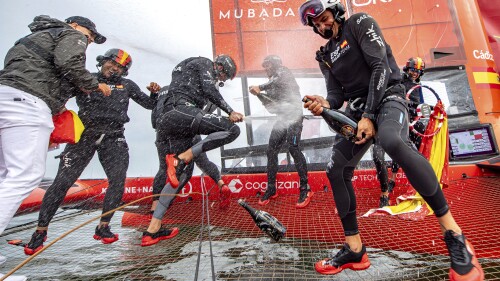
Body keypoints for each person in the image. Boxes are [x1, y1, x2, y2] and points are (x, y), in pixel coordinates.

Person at [299, 1, 484, 280]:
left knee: (391, 141)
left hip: (389, 96)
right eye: (316, 25)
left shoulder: (360, 23)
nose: (322, 27)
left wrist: (370, 115)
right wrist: (325, 102)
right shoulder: (324, 55)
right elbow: (337, 95)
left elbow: (380, 67)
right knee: (335, 169)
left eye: (324, 19)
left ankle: (455, 236)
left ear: (335, 10)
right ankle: (355, 249)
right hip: (359, 110)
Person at [23, 49, 161, 255]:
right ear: (103, 61)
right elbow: (57, 95)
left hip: (114, 137)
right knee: (62, 182)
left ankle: (103, 226)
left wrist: (154, 92)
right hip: (84, 137)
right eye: (111, 64)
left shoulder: (128, 86)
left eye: (119, 68)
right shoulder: (86, 79)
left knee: (118, 181)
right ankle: (40, 232)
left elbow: (151, 105)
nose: (114, 69)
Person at [0, 14, 110, 266]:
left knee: (4, 174)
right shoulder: (70, 34)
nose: (89, 40)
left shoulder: (28, 38)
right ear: (74, 25)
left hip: (6, 96)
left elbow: (38, 72)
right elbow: (69, 63)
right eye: (89, 35)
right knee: (24, 175)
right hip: (26, 104)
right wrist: (95, 85)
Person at [142, 55, 244, 246]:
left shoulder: (188, 76)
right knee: (232, 130)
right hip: (181, 112)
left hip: (172, 122)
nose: (220, 81)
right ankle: (183, 157)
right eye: (222, 77)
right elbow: (208, 88)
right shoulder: (204, 62)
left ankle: (152, 230)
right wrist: (230, 112)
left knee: (179, 176)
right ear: (220, 67)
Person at [150, 86, 231, 215]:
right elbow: (203, 113)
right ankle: (221, 184)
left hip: (165, 132)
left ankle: (155, 208)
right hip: (190, 129)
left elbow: (154, 118)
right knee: (202, 162)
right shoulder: (195, 91)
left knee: (166, 168)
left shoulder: (166, 91)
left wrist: (153, 95)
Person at [248, 55, 312, 208]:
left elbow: (276, 80)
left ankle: (305, 188)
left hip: (295, 116)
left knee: (293, 148)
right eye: (264, 66)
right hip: (282, 118)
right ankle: (271, 188)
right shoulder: (272, 85)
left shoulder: (284, 72)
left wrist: (260, 88)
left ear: (276, 64)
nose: (266, 69)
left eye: (268, 65)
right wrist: (259, 96)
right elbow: (271, 108)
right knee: (271, 151)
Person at [374, 56, 427, 207]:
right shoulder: (398, 80)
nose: (415, 73)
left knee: (417, 138)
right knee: (382, 150)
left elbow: (420, 105)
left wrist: (426, 110)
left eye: (417, 71)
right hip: (393, 118)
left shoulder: (418, 87)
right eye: (412, 70)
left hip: (409, 121)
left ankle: (417, 179)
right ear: (406, 69)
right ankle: (389, 184)